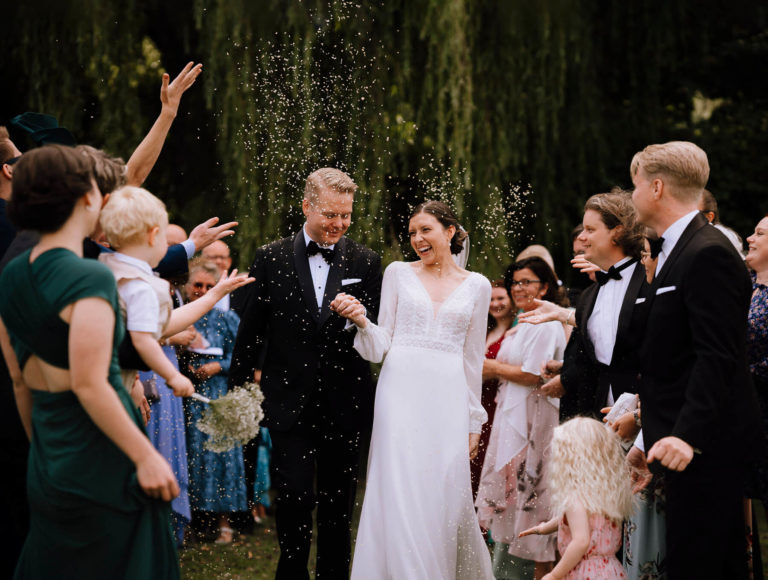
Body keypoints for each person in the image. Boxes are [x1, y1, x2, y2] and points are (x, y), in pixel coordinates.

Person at [0, 145, 180, 578]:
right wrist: (146, 457)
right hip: (105, 454)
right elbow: (90, 383)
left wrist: (42, 451)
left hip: (49, 453)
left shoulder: (11, 273)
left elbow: (18, 380)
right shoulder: (89, 276)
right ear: (86, 199)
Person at [228, 168, 382, 579]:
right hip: (287, 402)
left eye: (346, 215)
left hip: (345, 401)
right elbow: (251, 331)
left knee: (338, 506)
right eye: (331, 214)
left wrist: (362, 318)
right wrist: (238, 392)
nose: (339, 224)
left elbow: (378, 331)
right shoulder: (270, 256)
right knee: (294, 497)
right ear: (306, 206)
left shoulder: (366, 261)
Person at [332, 200, 493, 579]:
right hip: (399, 393)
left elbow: (473, 360)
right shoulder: (398, 273)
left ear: (450, 232)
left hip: (448, 398)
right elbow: (381, 343)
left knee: (441, 493)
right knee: (399, 486)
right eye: (412, 233)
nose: (417, 239)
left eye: (426, 230)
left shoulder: (478, 286)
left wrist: (474, 420)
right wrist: (361, 323)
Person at [630, 141, 759, 579]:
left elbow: (717, 355)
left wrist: (687, 436)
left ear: (658, 188)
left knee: (705, 565)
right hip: (677, 444)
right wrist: (650, 436)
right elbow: (669, 354)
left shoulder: (708, 253)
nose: (632, 196)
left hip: (707, 446)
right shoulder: (675, 250)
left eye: (636, 185)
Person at [476, 257, 567, 579]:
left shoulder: (546, 323)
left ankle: (540, 570)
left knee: (535, 495)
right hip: (511, 410)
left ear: (544, 286)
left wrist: (490, 368)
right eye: (515, 282)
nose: (518, 288)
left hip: (535, 416)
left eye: (527, 281)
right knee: (516, 496)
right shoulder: (523, 323)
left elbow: (532, 373)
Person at [183, 259, 248, 544]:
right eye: (197, 285)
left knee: (223, 456)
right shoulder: (180, 315)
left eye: (210, 286)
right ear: (187, 287)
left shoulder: (228, 319)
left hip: (219, 394)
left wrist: (218, 366)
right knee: (193, 456)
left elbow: (244, 356)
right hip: (188, 395)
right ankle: (191, 521)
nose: (203, 290)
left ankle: (224, 524)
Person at [519, 417, 634, 580]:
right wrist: (544, 528)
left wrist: (554, 575)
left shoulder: (575, 498)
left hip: (584, 571)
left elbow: (581, 541)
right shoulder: (605, 492)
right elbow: (585, 521)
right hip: (611, 570)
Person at [470, 279, 515, 498]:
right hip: (478, 402)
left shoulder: (515, 333)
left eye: (500, 298)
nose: (495, 303)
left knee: (492, 458)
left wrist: (494, 369)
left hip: (499, 403)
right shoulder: (485, 330)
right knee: (473, 461)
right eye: (491, 299)